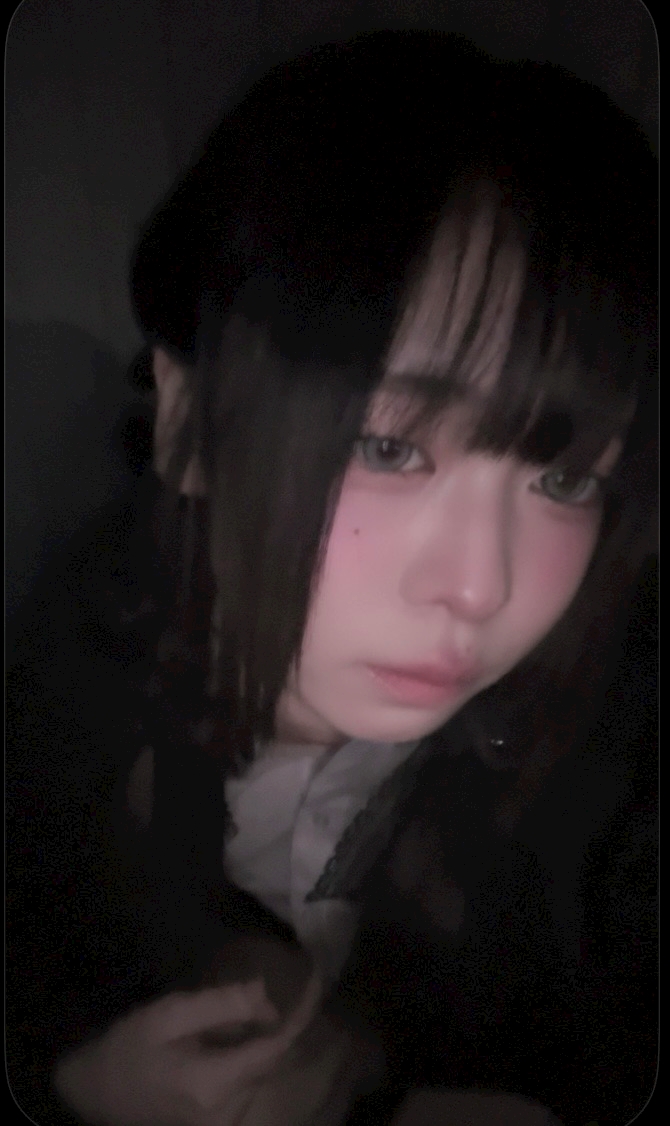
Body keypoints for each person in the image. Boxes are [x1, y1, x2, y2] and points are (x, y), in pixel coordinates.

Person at [7, 29, 657, 1126]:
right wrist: (65, 1097)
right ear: (187, 425)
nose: (479, 589)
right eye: (388, 447)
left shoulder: (613, 742)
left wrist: (379, 1066)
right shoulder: (55, 701)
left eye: (565, 478)